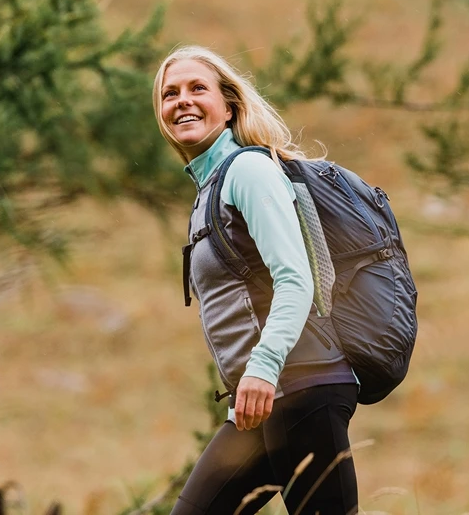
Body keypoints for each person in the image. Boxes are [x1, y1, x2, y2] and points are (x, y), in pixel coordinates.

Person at [153, 45, 360, 515]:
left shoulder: (247, 170)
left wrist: (263, 367)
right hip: (258, 402)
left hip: (302, 386)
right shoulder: (210, 188)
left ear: (228, 107)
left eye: (197, 88)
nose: (182, 101)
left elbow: (296, 279)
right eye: (170, 93)